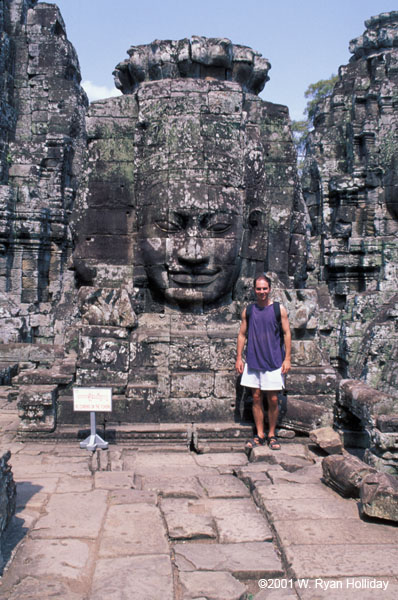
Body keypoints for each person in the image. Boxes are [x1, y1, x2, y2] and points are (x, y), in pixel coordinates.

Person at [235, 274, 291, 450]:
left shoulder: (278, 309)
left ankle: (272, 434)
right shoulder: (249, 311)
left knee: (273, 399)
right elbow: (242, 334)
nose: (262, 292)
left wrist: (287, 358)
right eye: (258, 289)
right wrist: (239, 357)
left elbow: (287, 333)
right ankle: (259, 434)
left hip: (273, 360)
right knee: (256, 397)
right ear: (254, 290)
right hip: (253, 360)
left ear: (270, 289)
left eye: (264, 288)